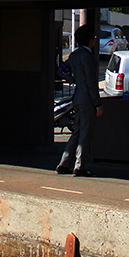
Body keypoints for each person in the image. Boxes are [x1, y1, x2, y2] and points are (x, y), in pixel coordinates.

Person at [55, 25, 103, 177]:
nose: (94, 41)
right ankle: (80, 166)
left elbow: (60, 70)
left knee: (77, 131)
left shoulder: (74, 55)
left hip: (77, 97)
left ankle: (64, 163)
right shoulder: (88, 57)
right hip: (87, 99)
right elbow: (91, 82)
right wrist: (98, 103)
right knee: (85, 133)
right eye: (93, 38)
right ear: (90, 40)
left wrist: (73, 79)